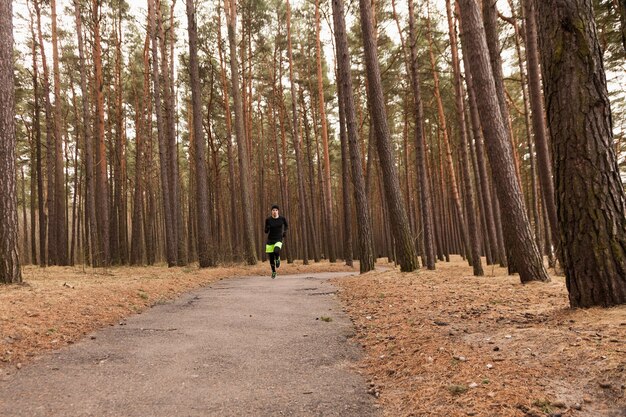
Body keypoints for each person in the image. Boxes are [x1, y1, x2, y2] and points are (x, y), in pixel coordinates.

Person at [265, 205, 288, 278]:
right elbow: (265, 231)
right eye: (273, 210)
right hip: (270, 240)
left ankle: (278, 259)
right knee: (271, 258)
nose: (274, 211)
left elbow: (286, 226)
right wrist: (267, 228)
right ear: (271, 211)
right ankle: (274, 272)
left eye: (276, 210)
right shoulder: (268, 220)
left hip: (278, 238)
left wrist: (284, 232)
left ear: (278, 211)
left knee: (276, 251)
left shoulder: (282, 219)